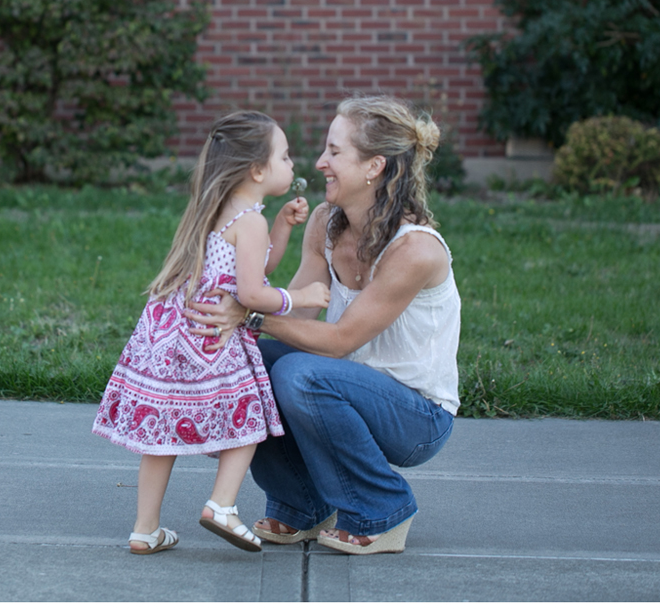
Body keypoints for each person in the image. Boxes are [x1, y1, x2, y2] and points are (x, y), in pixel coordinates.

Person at [185, 96, 461, 555]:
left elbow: (339, 341)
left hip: (417, 417)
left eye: (334, 152)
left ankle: (382, 510)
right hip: (341, 387)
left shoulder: (416, 251)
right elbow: (295, 318)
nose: (319, 163)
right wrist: (223, 353)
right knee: (254, 361)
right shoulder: (325, 223)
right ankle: (300, 505)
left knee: (300, 375)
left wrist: (250, 314)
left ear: (374, 166)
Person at [92, 110, 331, 555]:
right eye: (285, 155)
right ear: (258, 170)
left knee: (160, 435)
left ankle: (145, 530)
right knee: (249, 420)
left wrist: (282, 225)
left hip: (169, 339)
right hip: (211, 340)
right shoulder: (250, 223)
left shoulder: (215, 209)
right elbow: (254, 292)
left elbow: (254, 267)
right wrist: (303, 298)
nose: (293, 164)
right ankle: (222, 504)